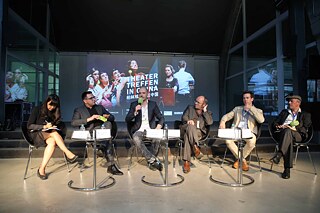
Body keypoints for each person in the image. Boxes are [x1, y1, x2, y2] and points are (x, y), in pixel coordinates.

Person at [71, 91, 123, 175]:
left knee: (108, 124)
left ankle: (104, 146)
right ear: (85, 100)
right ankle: (111, 165)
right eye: (91, 98)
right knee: (108, 141)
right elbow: (73, 122)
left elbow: (112, 117)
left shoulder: (99, 108)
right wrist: (89, 119)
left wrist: (108, 116)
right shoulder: (79, 110)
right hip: (91, 134)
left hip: (103, 131)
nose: (93, 99)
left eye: (94, 97)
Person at [27, 94, 78, 180]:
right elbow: (29, 126)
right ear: (46, 102)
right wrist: (43, 127)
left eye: (54, 106)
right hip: (35, 134)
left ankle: (41, 169)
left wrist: (52, 125)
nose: (52, 107)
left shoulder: (54, 112)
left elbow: (55, 125)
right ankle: (67, 153)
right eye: (50, 104)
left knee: (52, 142)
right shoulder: (37, 109)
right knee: (53, 133)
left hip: (48, 134)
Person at [219, 91, 265, 171]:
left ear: (252, 99)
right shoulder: (237, 109)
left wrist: (251, 109)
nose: (245, 100)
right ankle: (242, 160)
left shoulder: (258, 110)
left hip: (249, 132)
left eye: (247, 98)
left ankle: (239, 160)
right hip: (236, 131)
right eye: (244, 98)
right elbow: (226, 116)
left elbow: (261, 120)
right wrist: (223, 121)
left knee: (252, 142)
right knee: (228, 141)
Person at [270, 95, 312, 179]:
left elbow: (306, 127)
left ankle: (280, 154)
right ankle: (286, 169)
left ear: (298, 103)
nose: (289, 103)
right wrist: (279, 126)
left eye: (291, 101)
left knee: (288, 133)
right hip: (283, 133)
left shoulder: (305, 114)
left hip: (298, 134)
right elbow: (275, 122)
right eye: (289, 101)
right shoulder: (284, 112)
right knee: (287, 135)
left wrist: (294, 128)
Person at [125, 86, 164, 171]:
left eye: (143, 93)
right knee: (136, 137)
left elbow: (161, 118)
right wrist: (135, 112)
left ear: (147, 94)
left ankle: (151, 161)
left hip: (151, 130)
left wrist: (158, 126)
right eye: (139, 93)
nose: (141, 95)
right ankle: (152, 160)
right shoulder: (134, 104)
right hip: (139, 130)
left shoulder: (153, 104)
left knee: (157, 138)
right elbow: (127, 119)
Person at [181, 95, 213, 173]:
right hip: (187, 129)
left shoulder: (208, 113)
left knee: (187, 137)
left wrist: (205, 112)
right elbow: (183, 117)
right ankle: (195, 147)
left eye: (198, 102)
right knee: (190, 127)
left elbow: (209, 122)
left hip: (199, 134)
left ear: (204, 105)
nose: (195, 103)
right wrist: (188, 121)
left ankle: (186, 162)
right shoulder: (190, 108)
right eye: (195, 101)